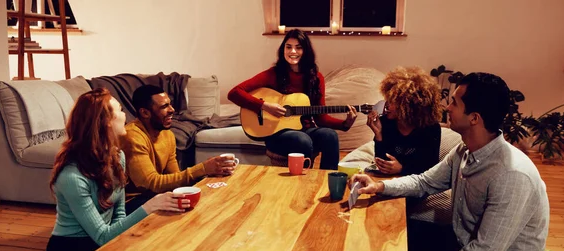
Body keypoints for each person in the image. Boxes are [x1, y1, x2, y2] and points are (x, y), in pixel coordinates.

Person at [351, 72, 549, 251]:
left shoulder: (512, 176)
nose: (447, 107)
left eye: (454, 102)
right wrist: (379, 187)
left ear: (474, 118)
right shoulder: (464, 150)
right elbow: (424, 182)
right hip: (461, 243)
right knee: (388, 231)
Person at [42, 88, 186, 251]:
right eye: (120, 110)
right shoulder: (72, 177)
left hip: (102, 243)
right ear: (106, 122)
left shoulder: (118, 157)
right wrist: (150, 206)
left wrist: (122, 245)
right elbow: (102, 236)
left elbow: (118, 214)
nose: (125, 116)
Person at [227, 29, 357, 170]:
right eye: (288, 47)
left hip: (305, 130)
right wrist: (264, 106)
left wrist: (344, 124)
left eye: (298, 47)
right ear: (283, 49)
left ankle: (326, 181)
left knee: (330, 136)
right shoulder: (273, 74)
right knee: (302, 140)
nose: (292, 51)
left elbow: (321, 118)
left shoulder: (316, 78)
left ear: (305, 51)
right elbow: (234, 93)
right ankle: (301, 185)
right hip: (276, 133)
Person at [122, 85, 237, 214]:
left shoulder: (167, 134)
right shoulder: (132, 136)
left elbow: (175, 179)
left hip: (156, 195)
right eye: (164, 106)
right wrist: (202, 168)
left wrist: (209, 171)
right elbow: (151, 183)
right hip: (133, 203)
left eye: (170, 104)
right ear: (145, 113)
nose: (172, 110)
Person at [366, 66, 442, 175]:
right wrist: (378, 135)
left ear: (407, 105)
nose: (386, 105)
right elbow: (382, 163)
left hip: (416, 185)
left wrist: (402, 169)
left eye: (392, 101)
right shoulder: (386, 122)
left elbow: (430, 168)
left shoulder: (430, 128)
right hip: (389, 182)